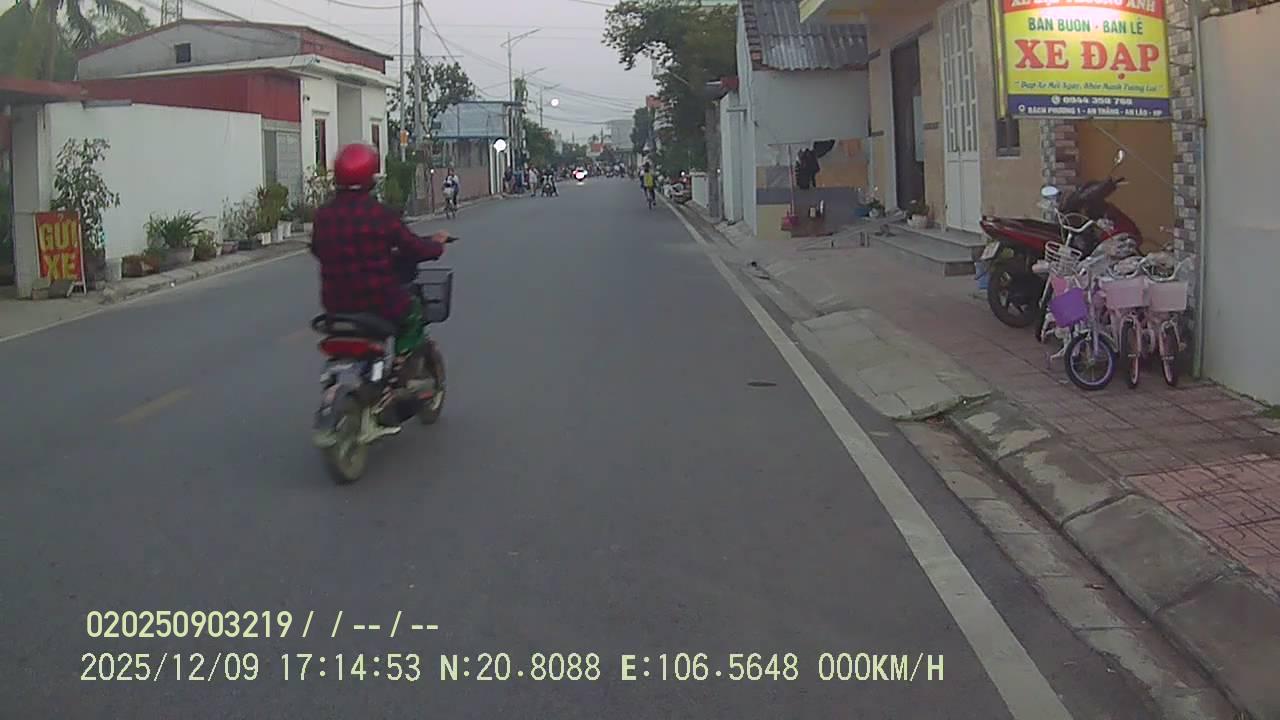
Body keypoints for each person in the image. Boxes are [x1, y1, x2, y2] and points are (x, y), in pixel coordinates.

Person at [311, 143, 452, 393]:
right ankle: (400, 368)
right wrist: (437, 246)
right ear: (371, 177)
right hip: (379, 301)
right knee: (413, 312)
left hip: (336, 304)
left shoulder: (324, 216)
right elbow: (413, 247)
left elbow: (317, 249)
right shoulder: (379, 214)